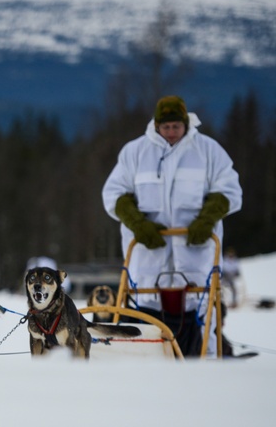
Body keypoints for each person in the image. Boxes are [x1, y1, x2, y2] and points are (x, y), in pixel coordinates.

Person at [102, 95, 242, 357]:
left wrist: (206, 219)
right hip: (147, 261)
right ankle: (144, 366)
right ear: (156, 125)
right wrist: (138, 224)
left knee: (203, 318)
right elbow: (113, 194)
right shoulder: (135, 152)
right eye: (165, 127)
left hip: (196, 260)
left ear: (186, 123)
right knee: (143, 319)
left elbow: (230, 190)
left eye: (176, 127)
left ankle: (204, 367)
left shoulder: (208, 150)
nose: (171, 132)